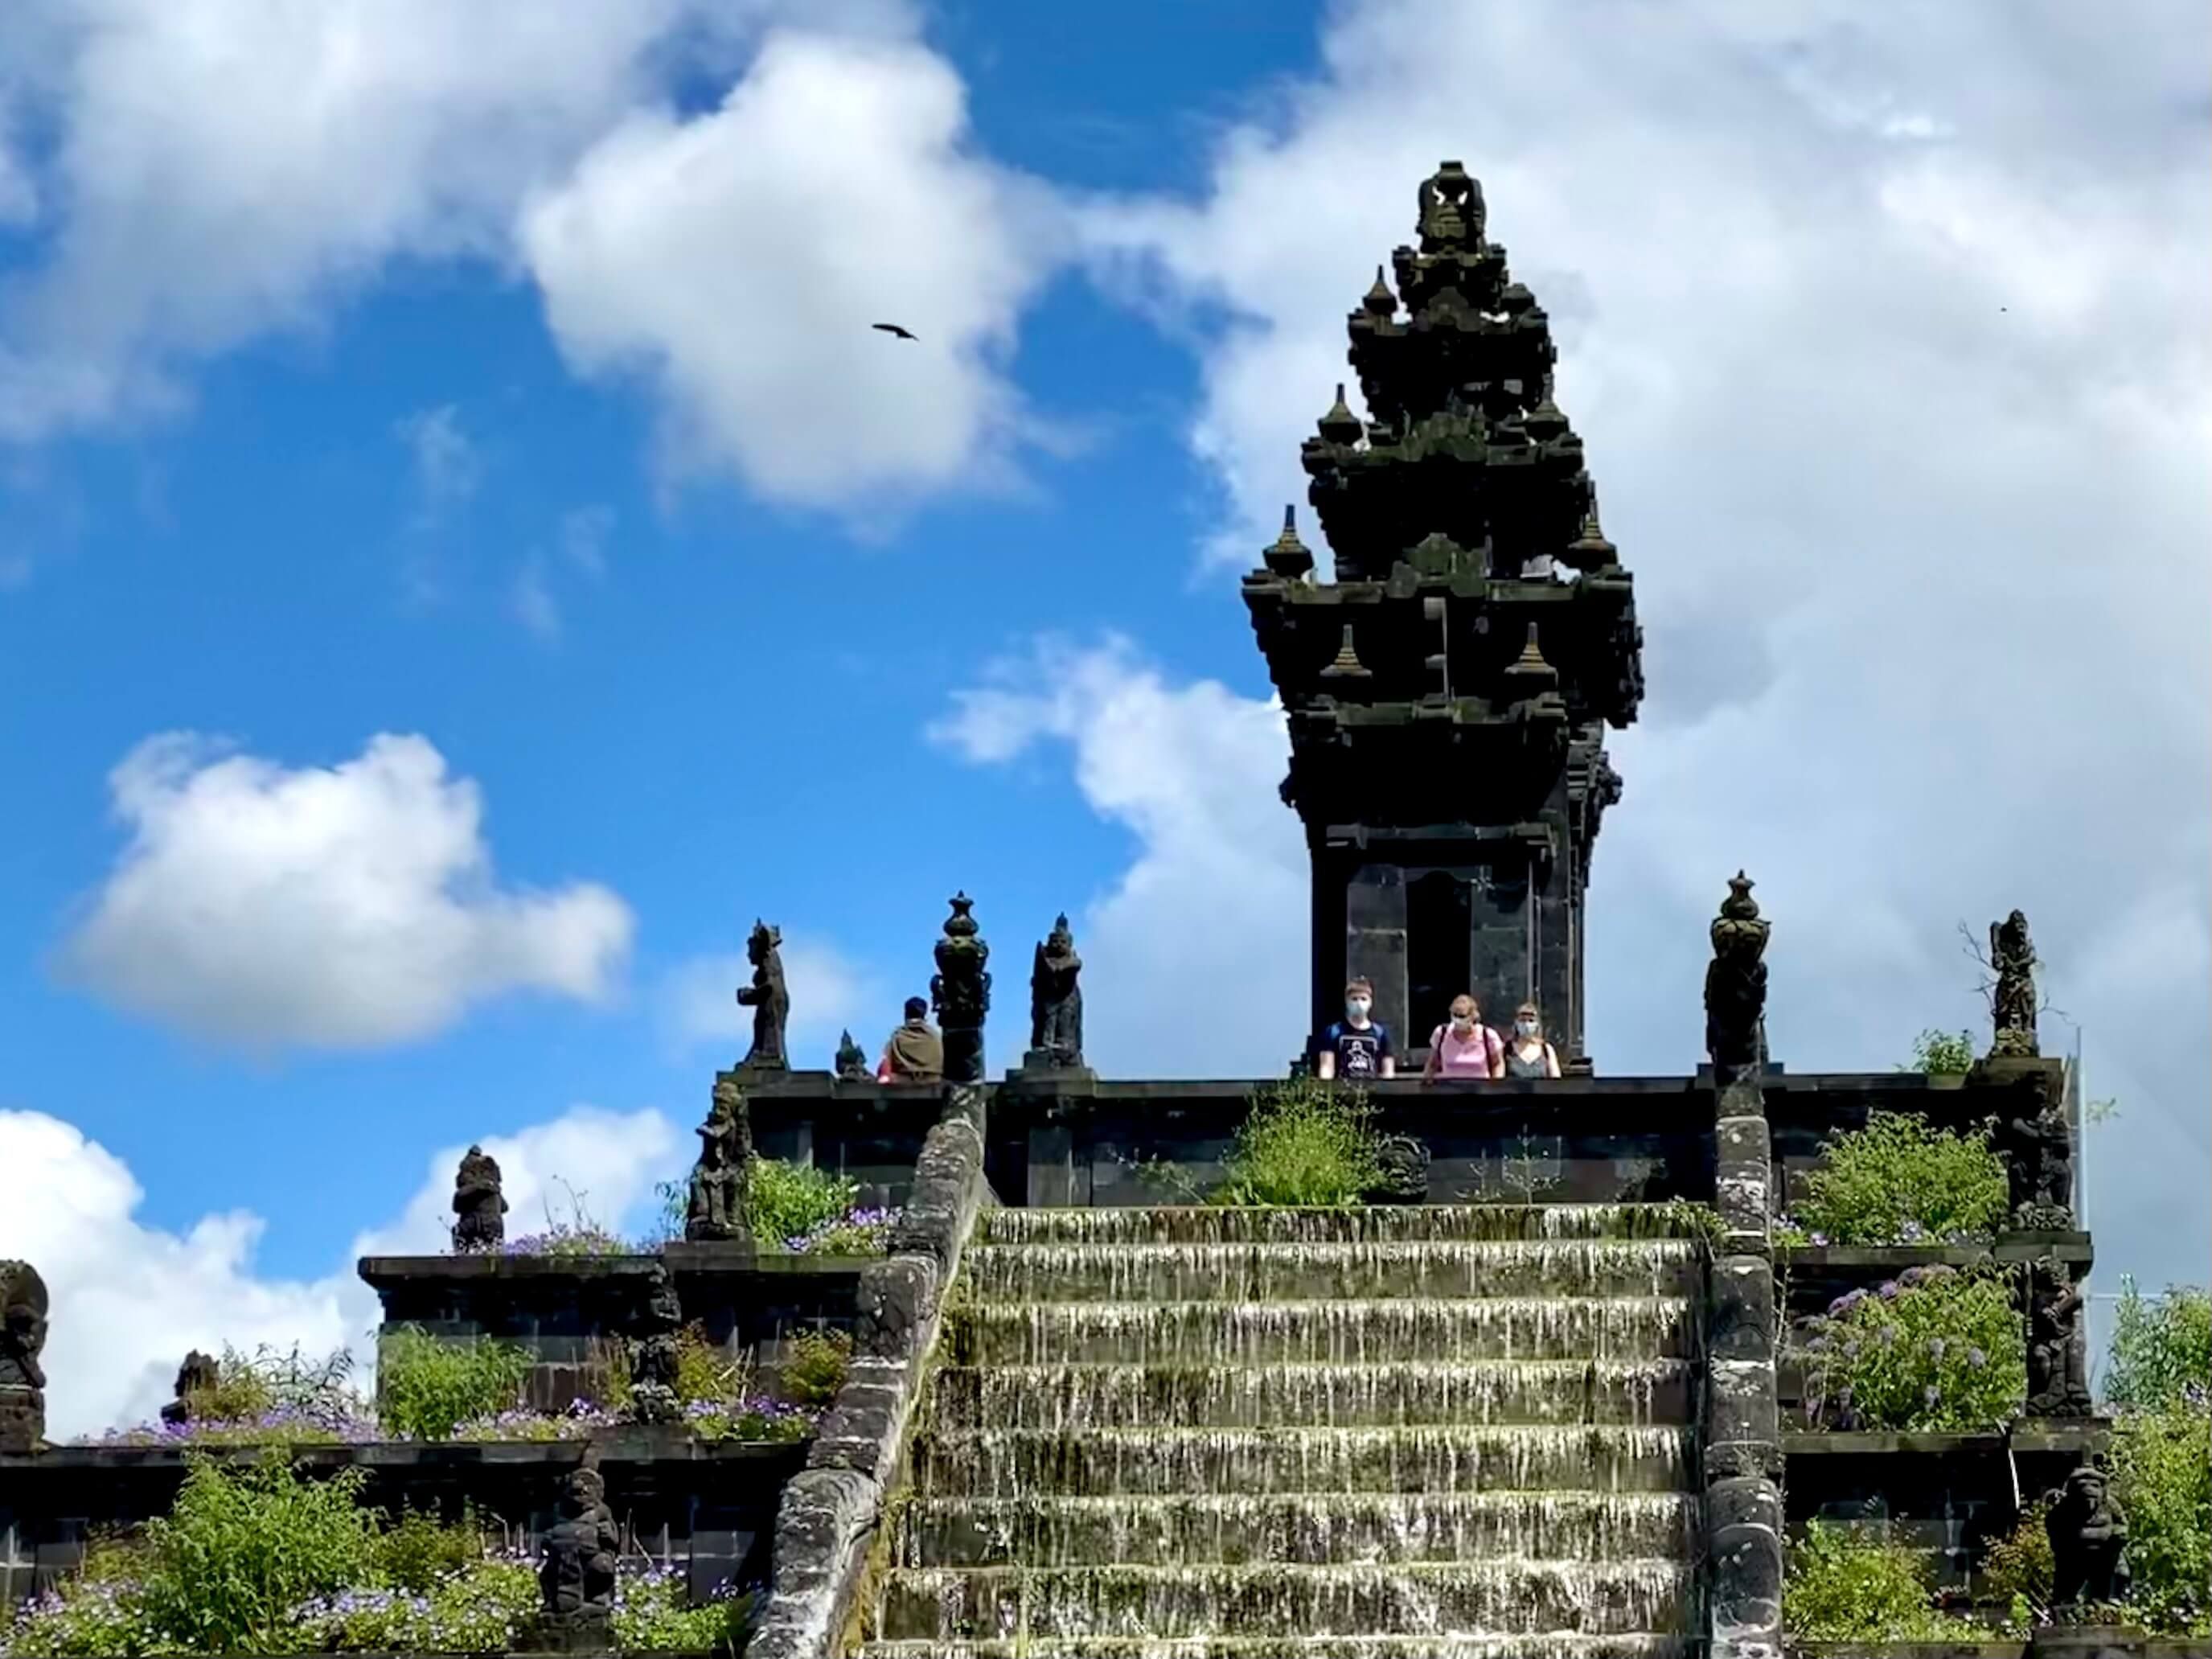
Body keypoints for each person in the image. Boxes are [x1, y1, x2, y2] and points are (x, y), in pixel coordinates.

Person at [1315, 977, 1395, 1081]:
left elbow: (1388, 1071)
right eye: (1354, 999)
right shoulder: (1334, 1032)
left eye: (1363, 999)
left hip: (1372, 1090)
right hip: (1343, 1089)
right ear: (1347, 1001)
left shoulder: (1380, 1033)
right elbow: (1326, 1068)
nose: (1359, 1003)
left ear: (1370, 1002)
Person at [1422, 993, 1503, 1082]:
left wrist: (1496, 1086)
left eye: (1462, 1016)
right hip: (1448, 1089)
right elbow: (1432, 1064)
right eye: (1454, 1015)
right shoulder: (1441, 1033)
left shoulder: (1488, 1035)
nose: (1457, 1019)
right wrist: (1427, 1082)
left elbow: (1497, 1064)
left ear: (1472, 1016)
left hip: (1480, 1089)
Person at [876, 996, 944, 1082]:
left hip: (902, 1084)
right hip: (933, 1082)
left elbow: (886, 1063)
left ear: (906, 1014)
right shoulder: (936, 1037)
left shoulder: (897, 1037)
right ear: (924, 1014)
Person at [1504, 1002, 1562, 1078]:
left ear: (1537, 1024)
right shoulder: (1506, 1049)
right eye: (1523, 1020)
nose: (1526, 1024)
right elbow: (1499, 1081)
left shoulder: (1546, 1049)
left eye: (1531, 1021)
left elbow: (1556, 1081)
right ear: (1516, 1023)